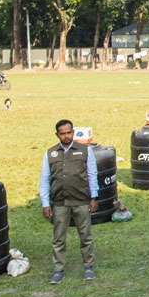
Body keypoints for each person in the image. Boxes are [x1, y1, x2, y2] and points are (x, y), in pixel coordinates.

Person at [39, 119, 99, 284]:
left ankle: (88, 267)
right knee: (58, 239)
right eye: (62, 133)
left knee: (85, 236)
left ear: (73, 132)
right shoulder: (50, 153)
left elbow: (92, 175)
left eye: (69, 132)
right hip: (59, 203)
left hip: (82, 201)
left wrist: (94, 197)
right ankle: (58, 270)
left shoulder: (85, 151)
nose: (66, 136)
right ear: (57, 134)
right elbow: (44, 179)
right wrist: (45, 203)